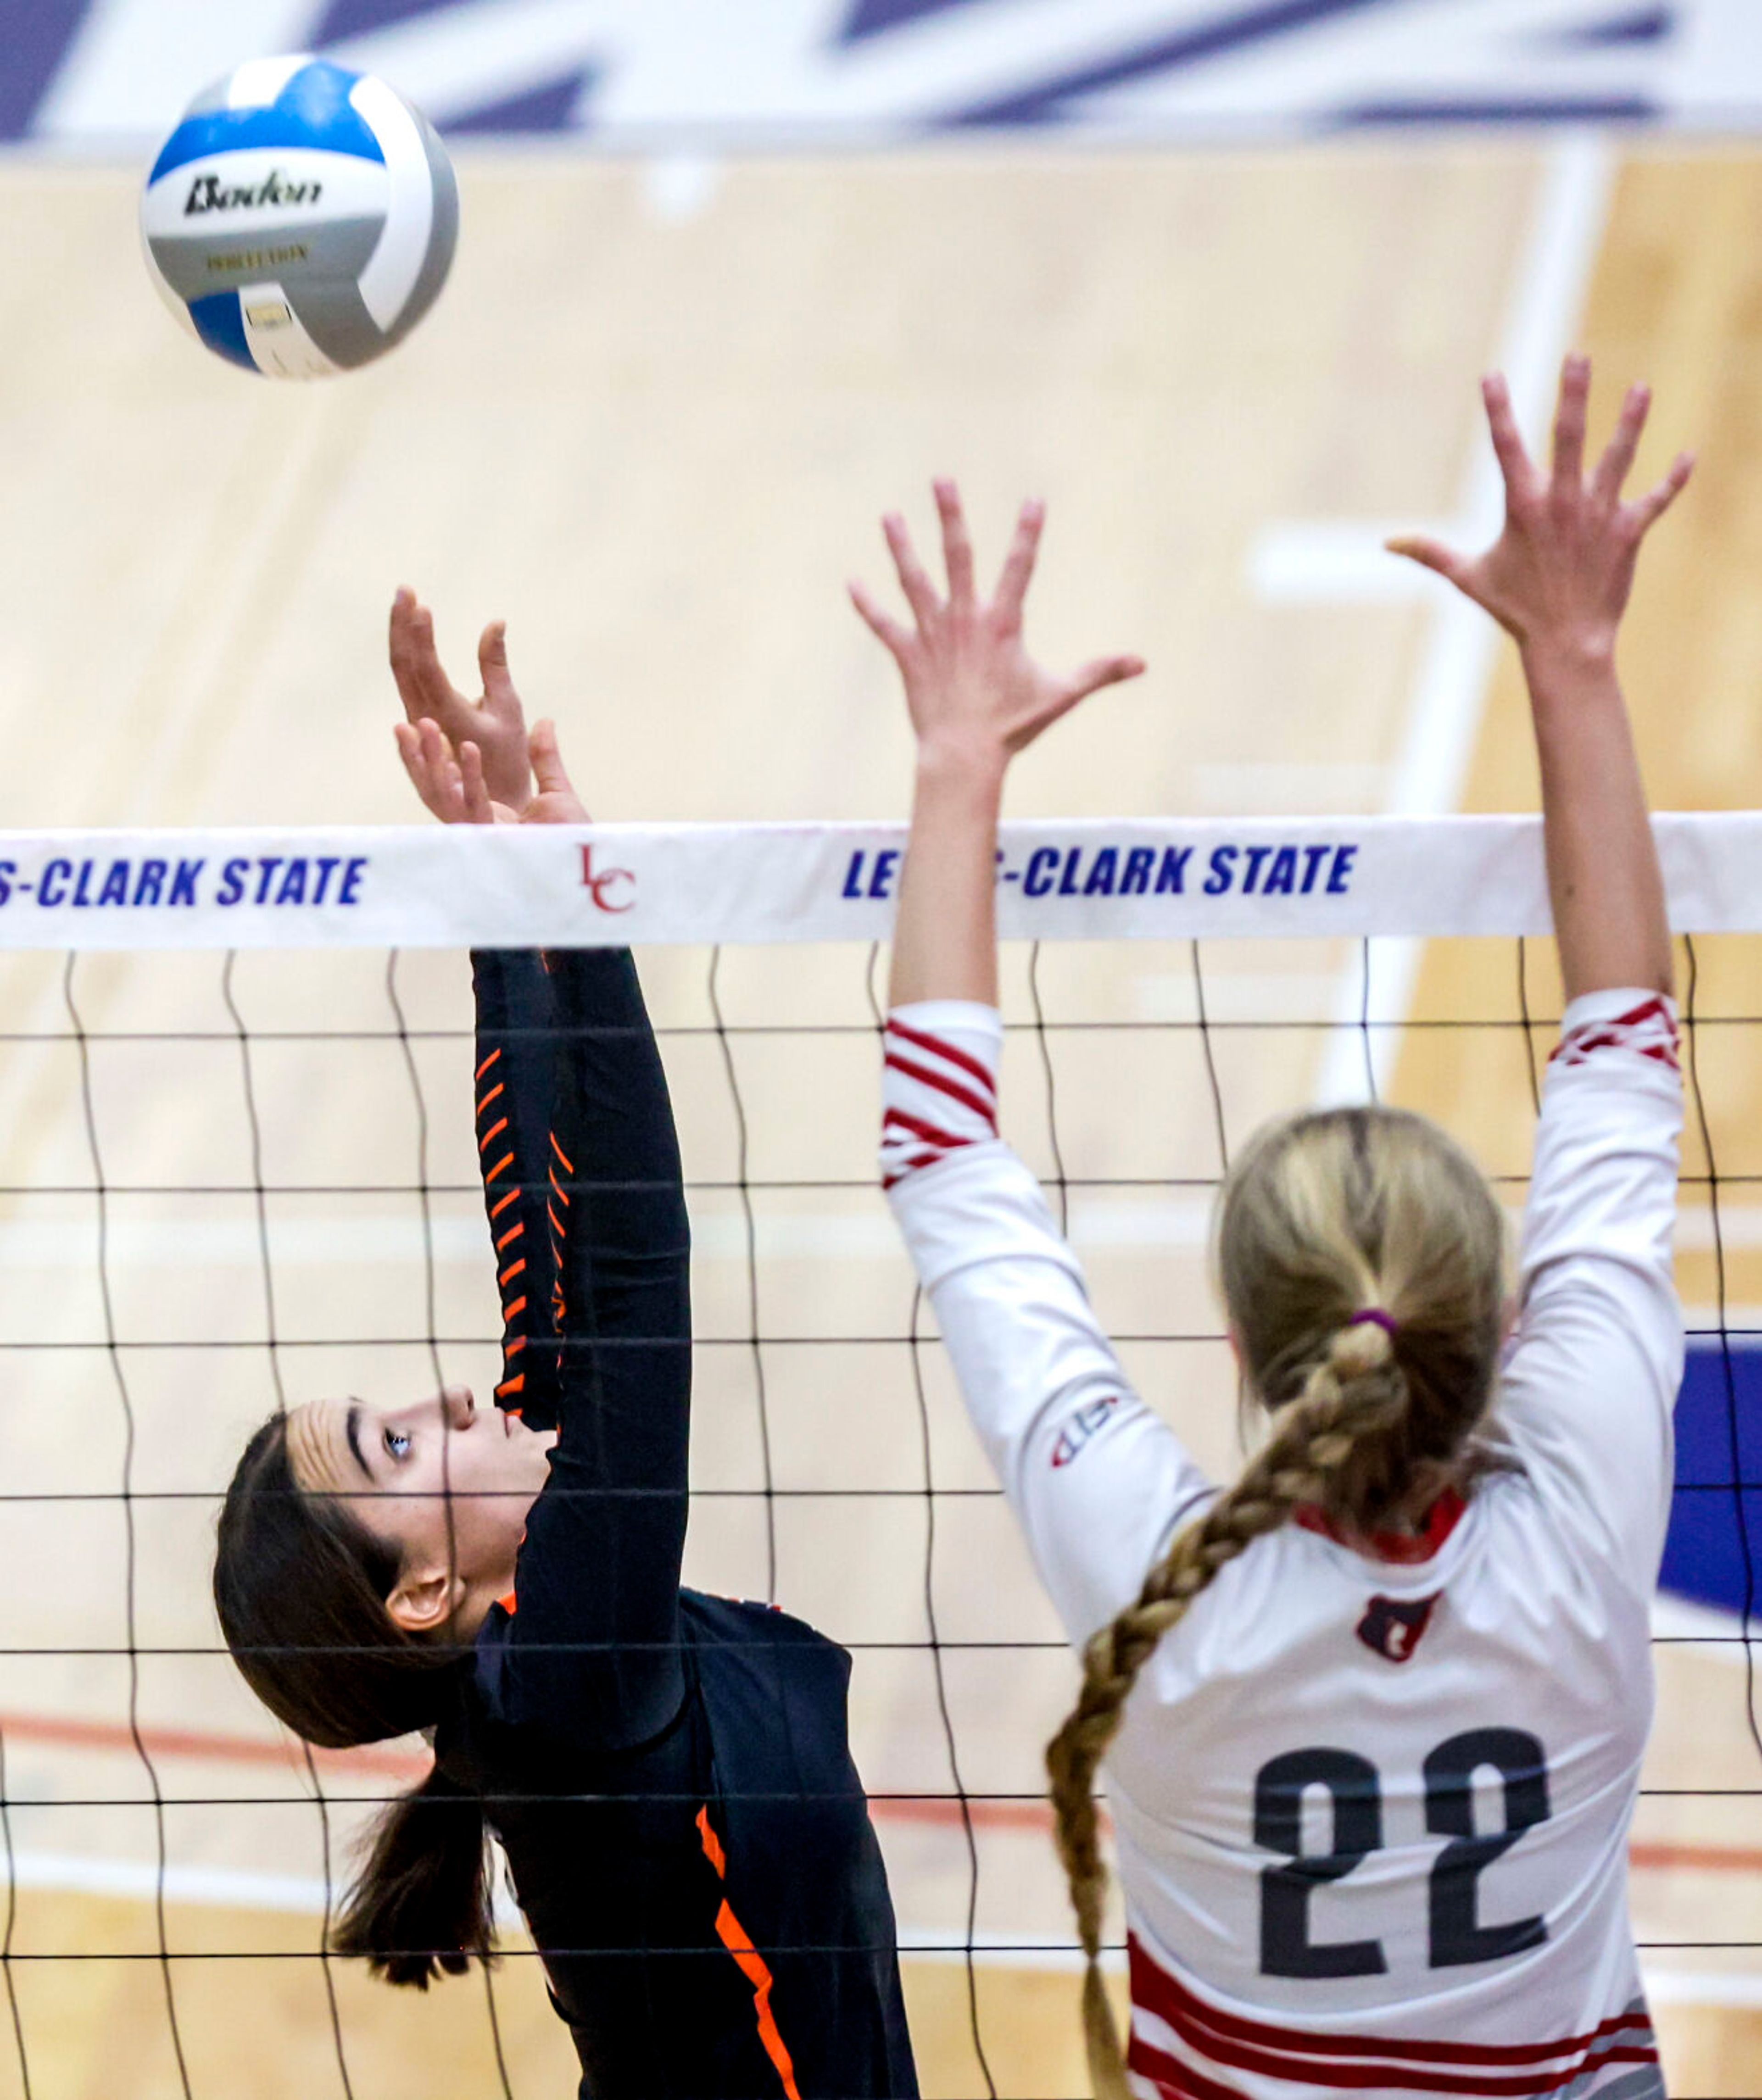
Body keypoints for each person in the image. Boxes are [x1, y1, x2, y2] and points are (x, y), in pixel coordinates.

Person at [852, 359, 1691, 2098]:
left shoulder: (1170, 1597)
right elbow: (1626, 1042)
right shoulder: (1584, 1518)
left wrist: (956, 764)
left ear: (1246, 1350)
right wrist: (1578, 655)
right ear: (1501, 1339)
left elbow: (945, 1163)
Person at [213, 594, 919, 2100]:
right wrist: (590, 922)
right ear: (420, 1590)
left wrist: (507, 890)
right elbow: (638, 1270)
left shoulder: (533, 1629)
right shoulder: (566, 1682)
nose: (451, 1394)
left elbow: (544, 1218)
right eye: (399, 1445)